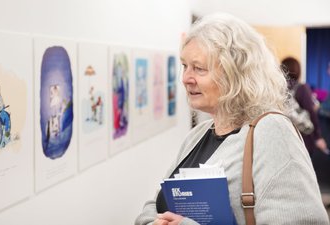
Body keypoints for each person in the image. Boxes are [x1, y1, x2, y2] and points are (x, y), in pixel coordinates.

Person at [135, 13, 329, 225]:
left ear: (235, 74)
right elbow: (156, 203)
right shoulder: (198, 135)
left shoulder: (272, 131)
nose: (186, 79)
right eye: (184, 66)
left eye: (198, 68)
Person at [281, 57, 329, 156]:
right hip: (303, 137)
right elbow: (311, 113)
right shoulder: (302, 88)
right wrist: (318, 137)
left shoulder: (278, 89)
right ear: (297, 70)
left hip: (284, 136)